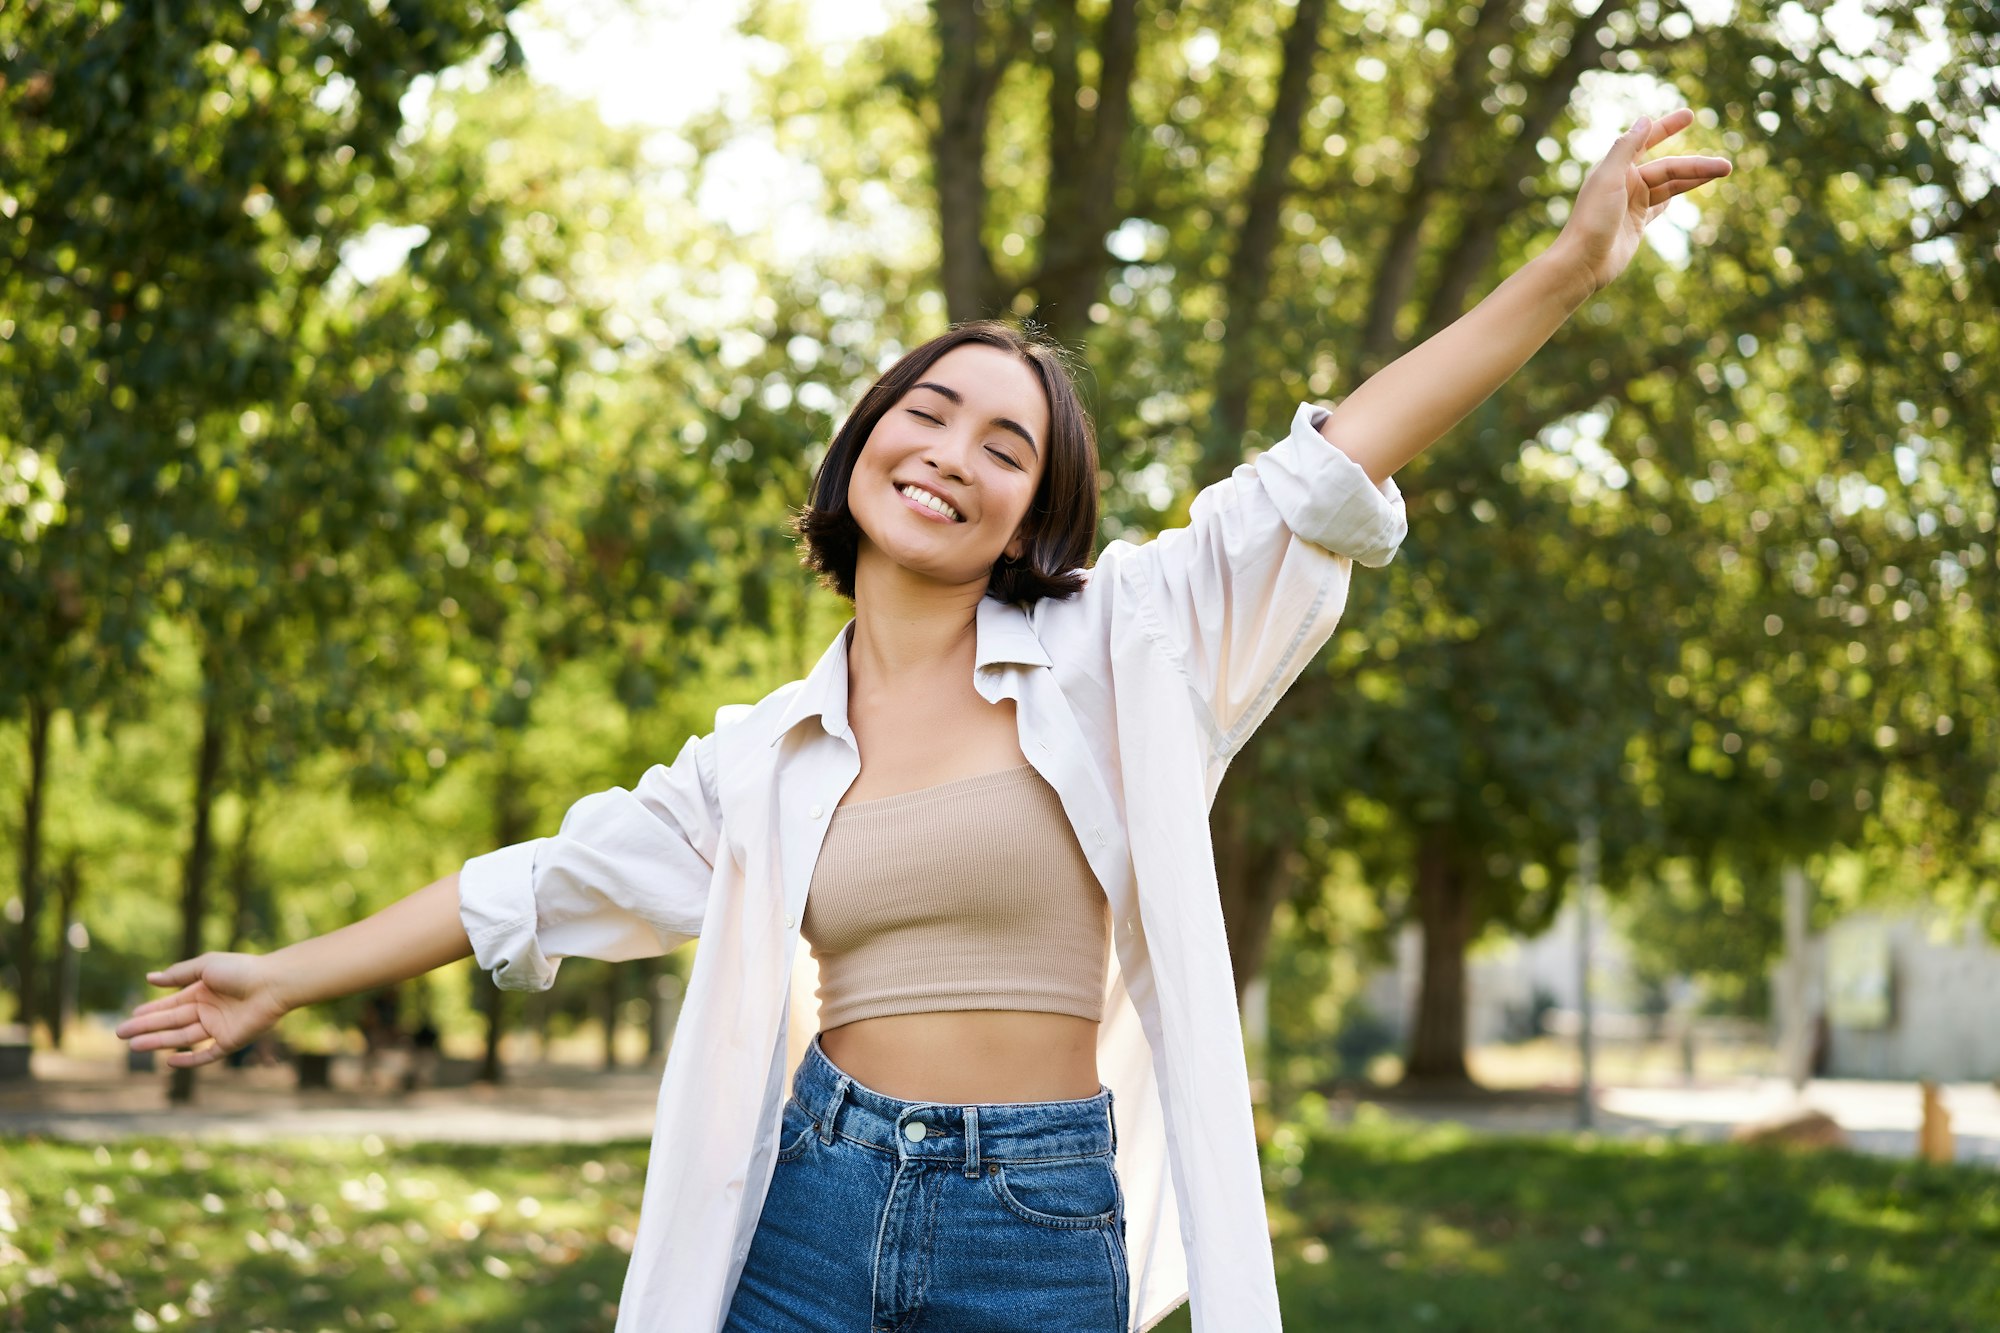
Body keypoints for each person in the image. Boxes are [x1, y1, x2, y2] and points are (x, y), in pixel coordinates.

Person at [115, 110, 1728, 1331]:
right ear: (867, 441)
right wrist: (279, 978)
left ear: (1036, 510)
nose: (953, 449)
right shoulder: (770, 749)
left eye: (1007, 444)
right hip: (813, 1194)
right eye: (928, 408)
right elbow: (530, 884)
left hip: (1034, 1218)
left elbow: (1335, 461)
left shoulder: (1129, 642)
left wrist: (1574, 263)